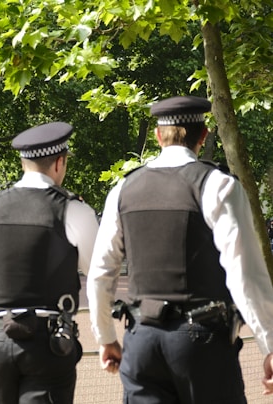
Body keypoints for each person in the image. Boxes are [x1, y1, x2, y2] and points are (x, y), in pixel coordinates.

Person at [87, 96, 273, 403]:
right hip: (201, 341)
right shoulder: (217, 185)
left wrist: (106, 337)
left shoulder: (123, 189)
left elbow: (100, 274)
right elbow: (244, 273)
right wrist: (269, 345)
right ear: (203, 135)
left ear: (158, 136)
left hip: (141, 341)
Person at [0, 122, 99, 403]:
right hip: (49, 343)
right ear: (59, 162)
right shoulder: (73, 209)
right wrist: (105, 336)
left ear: (23, 162)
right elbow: (99, 276)